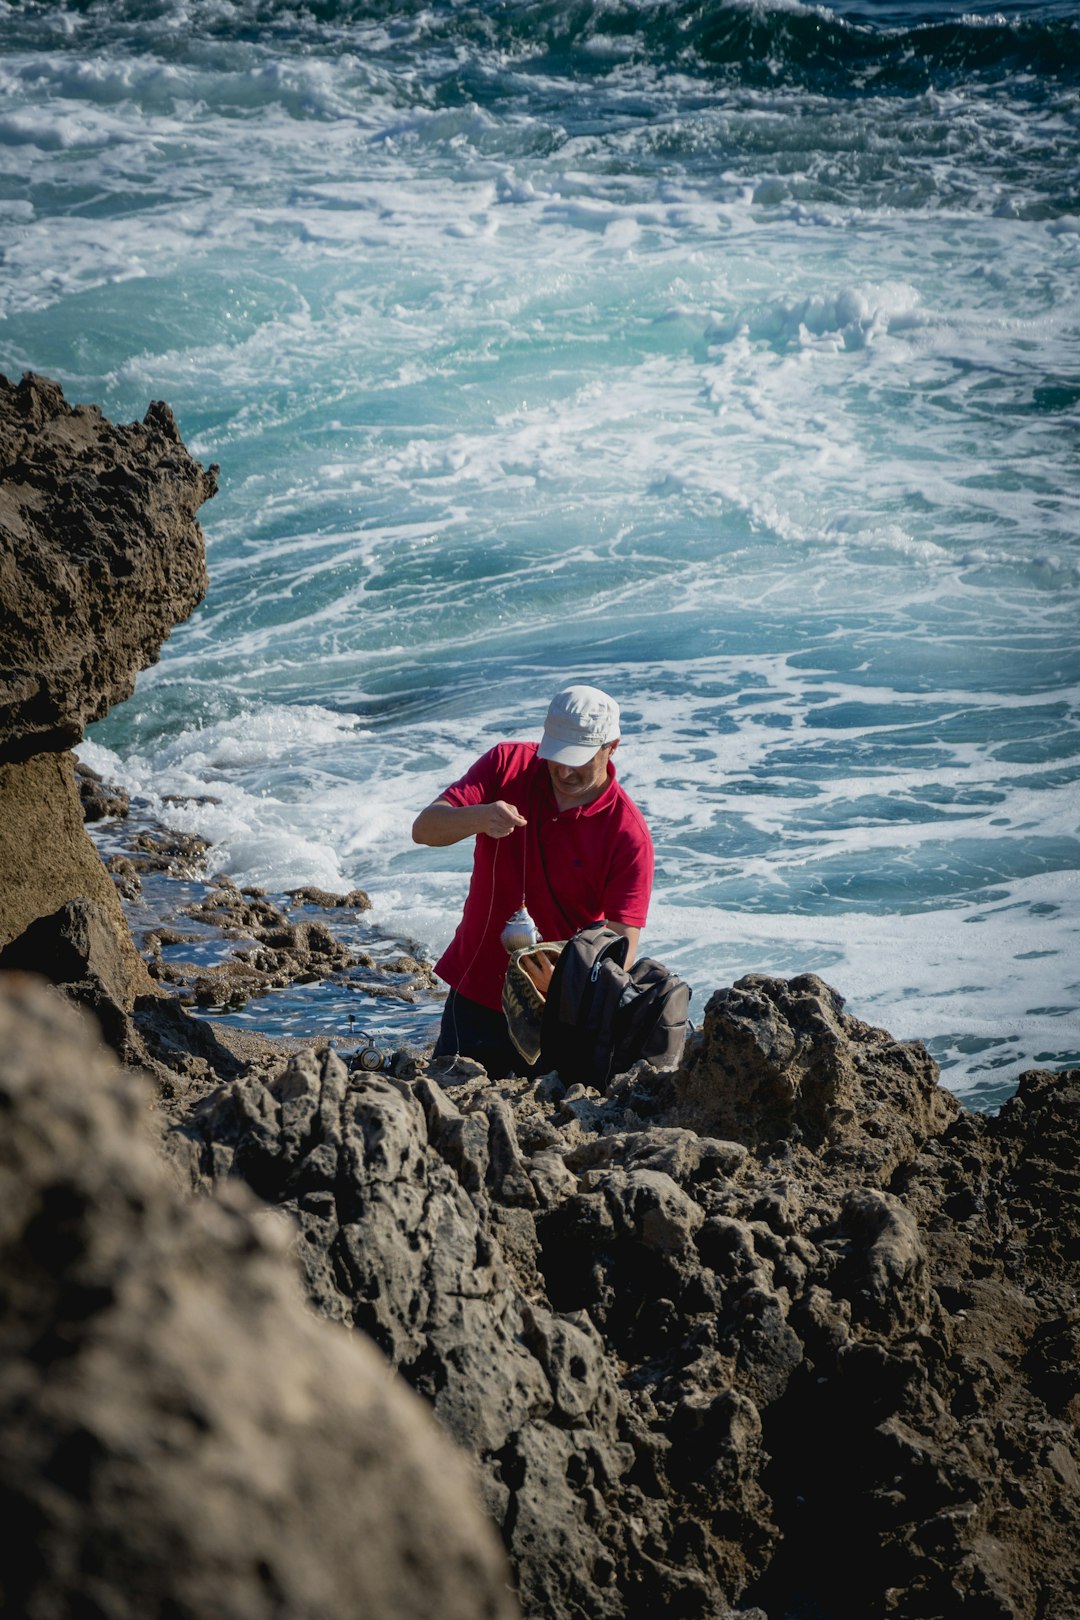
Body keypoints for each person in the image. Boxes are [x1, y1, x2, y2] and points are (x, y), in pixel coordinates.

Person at [412, 684, 654, 1077]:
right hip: (475, 993)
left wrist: (567, 984)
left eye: (578, 758)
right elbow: (425, 829)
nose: (563, 771)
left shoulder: (627, 834)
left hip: (554, 1017)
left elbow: (621, 946)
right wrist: (479, 817)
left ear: (612, 746)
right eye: (557, 754)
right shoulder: (507, 763)